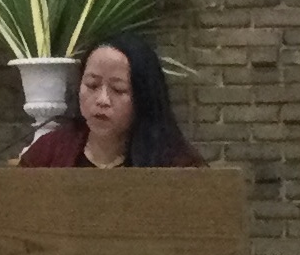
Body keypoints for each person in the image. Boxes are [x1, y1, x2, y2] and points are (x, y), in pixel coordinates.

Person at [18, 33, 205, 167]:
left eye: (118, 89)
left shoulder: (178, 164)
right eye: (92, 85)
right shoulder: (47, 154)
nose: (102, 100)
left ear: (143, 96)